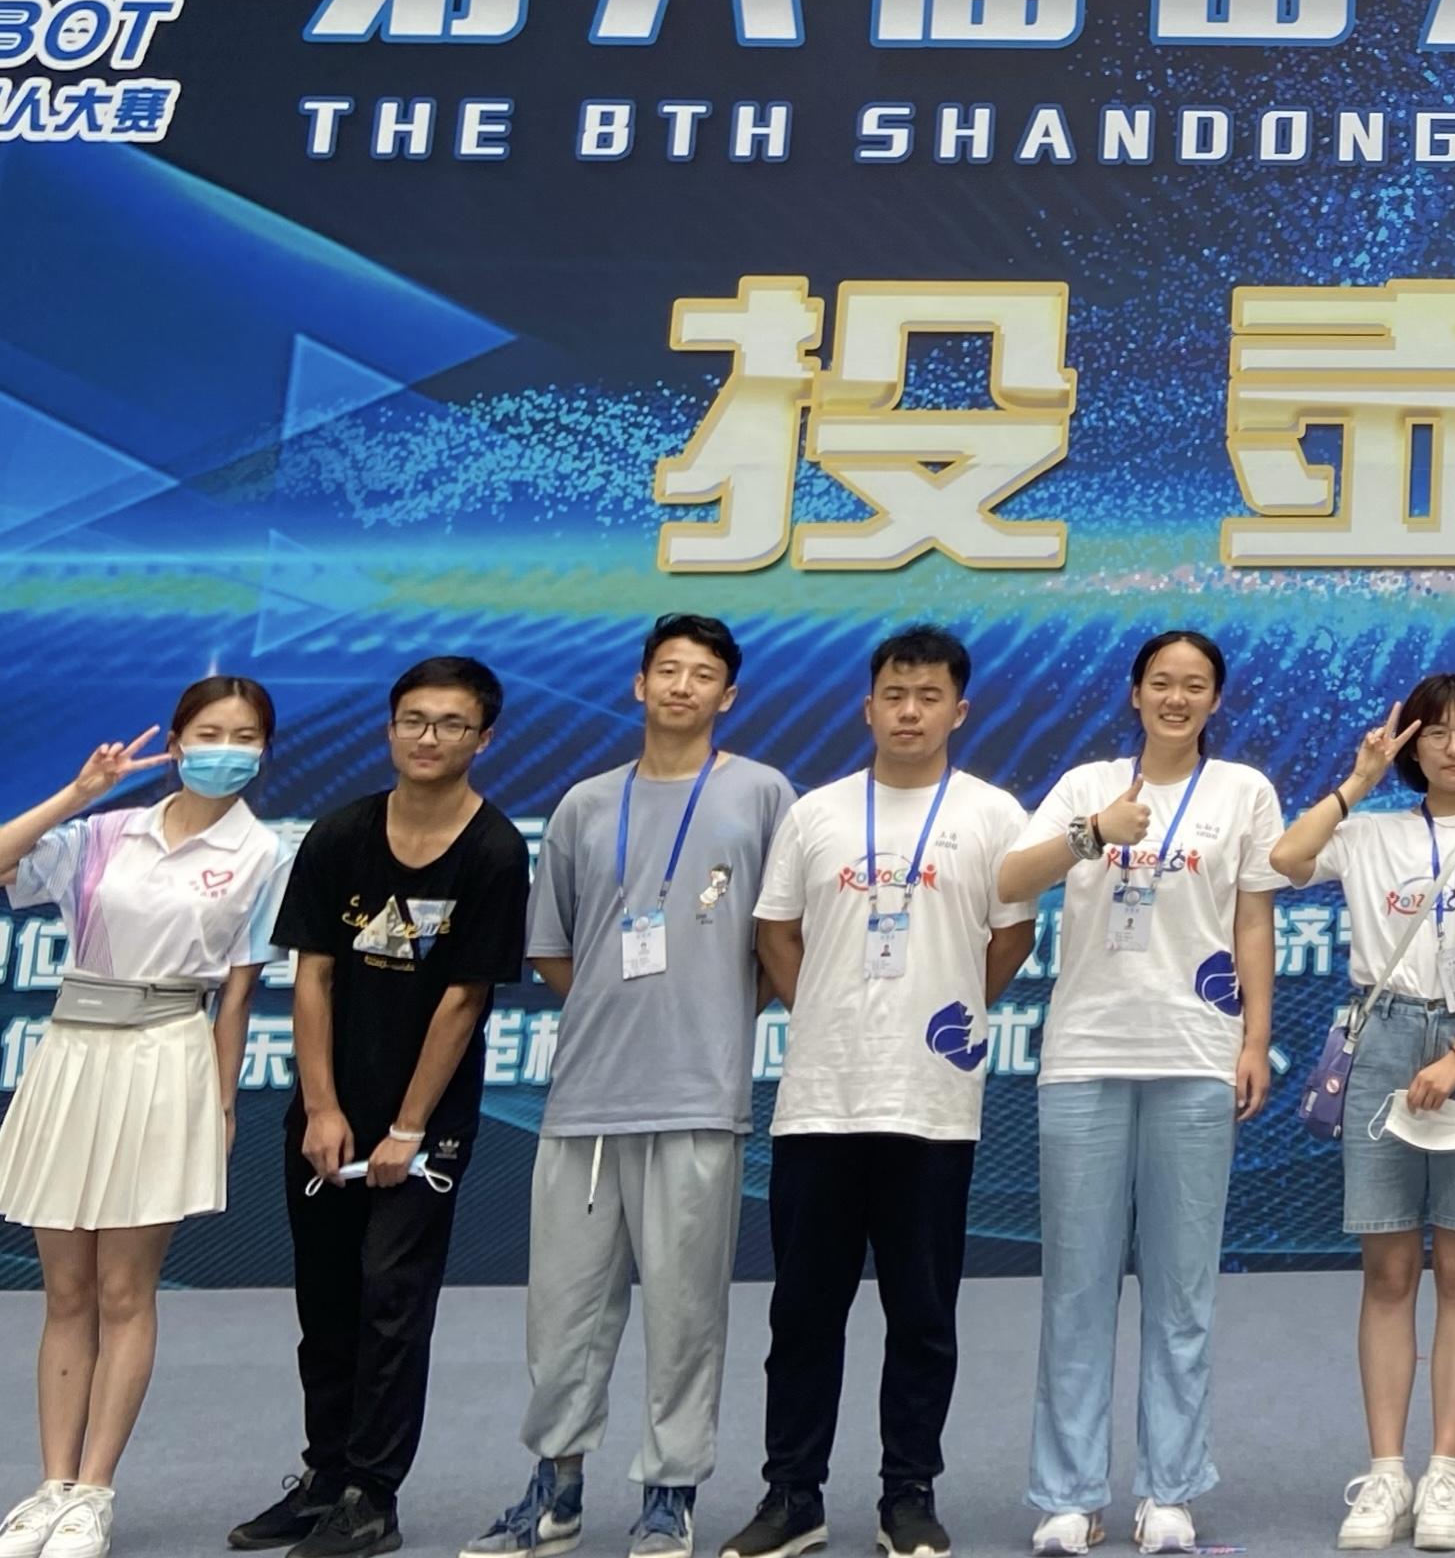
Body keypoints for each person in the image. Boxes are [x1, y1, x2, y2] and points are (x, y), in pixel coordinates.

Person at [466, 615, 795, 1558]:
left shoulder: (762, 794)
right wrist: (620, 1009)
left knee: (686, 1311)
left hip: (698, 1094)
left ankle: (669, 1492)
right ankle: (555, 1488)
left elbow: (781, 939)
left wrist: (713, 1011)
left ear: (729, 695)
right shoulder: (585, 803)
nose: (683, 686)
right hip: (586, 1099)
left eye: (703, 674)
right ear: (638, 685)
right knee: (563, 1314)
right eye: (668, 670)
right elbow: (555, 946)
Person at [723, 627, 1034, 1558]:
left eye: (929, 696)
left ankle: (909, 1495)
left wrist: (946, 1008)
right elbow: (776, 932)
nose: (909, 712)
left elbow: (1010, 936)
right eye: (894, 695)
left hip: (932, 1105)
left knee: (922, 1315)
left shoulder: (992, 814)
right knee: (802, 1314)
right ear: (867, 707)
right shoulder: (815, 812)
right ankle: (792, 1496)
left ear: (959, 711)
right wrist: (827, 1011)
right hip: (821, 1101)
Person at [0, 677, 284, 1558]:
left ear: (265, 751)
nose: (227, 750)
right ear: (176, 743)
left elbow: (238, 996)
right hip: (73, 1057)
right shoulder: (107, 832)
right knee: (66, 1292)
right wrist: (80, 792)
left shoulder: (262, 853)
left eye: (246, 737)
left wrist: (221, 1102)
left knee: (122, 1292)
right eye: (210, 733)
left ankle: (94, 1494)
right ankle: (50, 1489)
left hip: (166, 1059)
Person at [233, 656, 532, 1558]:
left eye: (451, 724)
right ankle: (324, 1478)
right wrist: (322, 1108)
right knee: (325, 1301)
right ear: (390, 728)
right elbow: (313, 976)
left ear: (484, 738)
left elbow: (464, 999)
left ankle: (373, 1494)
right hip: (329, 1114)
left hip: (424, 1125)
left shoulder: (494, 850)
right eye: (413, 720)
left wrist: (408, 1128)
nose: (428, 738)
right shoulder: (340, 834)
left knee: (391, 1301)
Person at [1001, 632, 1288, 1558]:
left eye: (1194, 685)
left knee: (1181, 1288)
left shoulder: (1242, 791)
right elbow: (1008, 878)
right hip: (1085, 1055)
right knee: (1076, 1286)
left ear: (1215, 700)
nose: (1176, 697)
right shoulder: (1088, 785)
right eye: (1161, 682)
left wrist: (1254, 1039)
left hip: (1196, 1055)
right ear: (1134, 694)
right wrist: (1093, 834)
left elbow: (1253, 921)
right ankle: (1069, 1495)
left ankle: (1170, 1490)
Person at [1270, 674, 1455, 1556]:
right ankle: (1387, 1472)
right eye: (1437, 731)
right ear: (1412, 746)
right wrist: (1358, 780)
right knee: (1390, 1270)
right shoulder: (1369, 833)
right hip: (1384, 1040)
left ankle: (1444, 1472)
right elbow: (1285, 859)